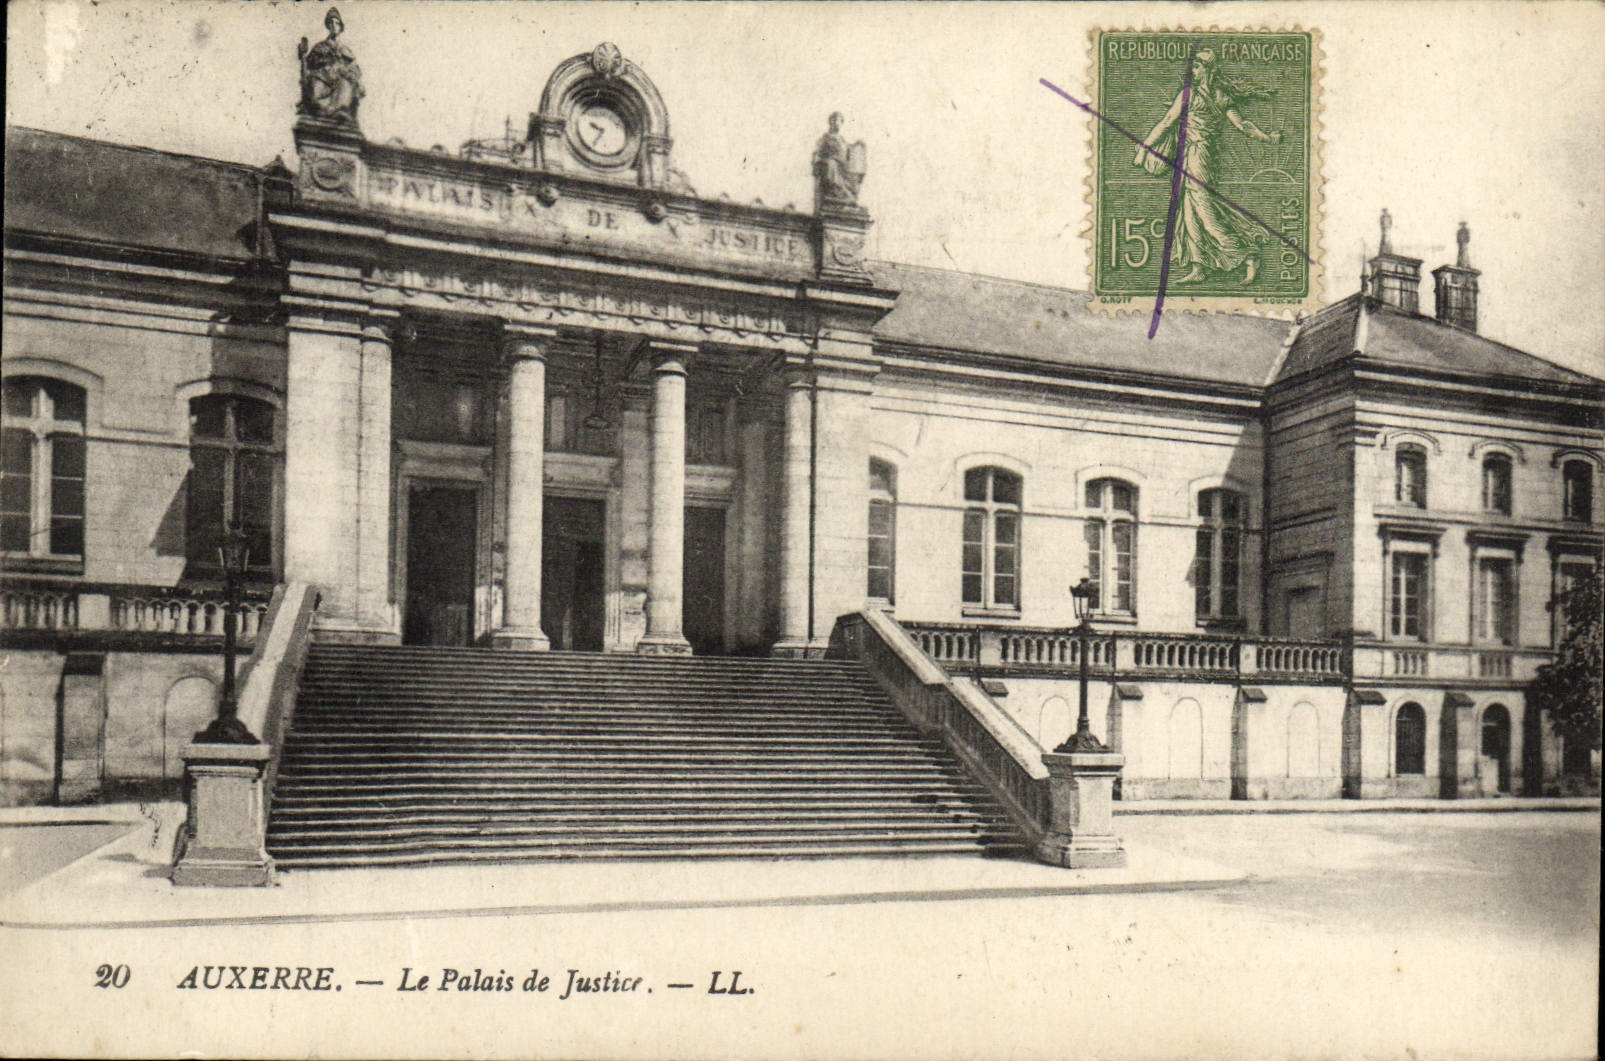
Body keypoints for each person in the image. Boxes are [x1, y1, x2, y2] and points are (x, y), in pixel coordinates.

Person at [1133, 50, 1281, 283]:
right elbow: (1242, 125)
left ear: (1209, 69)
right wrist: (1267, 137)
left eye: (1198, 67)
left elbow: (1167, 123)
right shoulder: (1216, 96)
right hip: (1196, 154)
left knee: (1203, 208)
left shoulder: (1194, 95)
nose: (1193, 71)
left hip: (1200, 155)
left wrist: (1145, 147)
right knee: (1189, 208)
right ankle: (1199, 265)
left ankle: (1247, 255)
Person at [298, 8, 364, 125]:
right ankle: (321, 111)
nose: (334, 26)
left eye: (336, 23)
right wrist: (303, 56)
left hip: (340, 79)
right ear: (328, 26)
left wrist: (352, 75)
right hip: (322, 77)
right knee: (315, 89)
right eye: (331, 23)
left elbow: (355, 70)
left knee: (346, 86)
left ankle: (340, 112)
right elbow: (308, 66)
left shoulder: (346, 50)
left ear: (341, 27)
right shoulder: (320, 46)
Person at [813, 113, 864, 207]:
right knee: (830, 165)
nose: (837, 123)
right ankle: (835, 193)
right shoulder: (825, 138)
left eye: (839, 121)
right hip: (830, 163)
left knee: (853, 172)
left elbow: (848, 150)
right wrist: (818, 160)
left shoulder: (842, 139)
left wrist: (857, 145)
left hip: (843, 166)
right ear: (830, 122)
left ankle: (848, 197)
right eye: (834, 120)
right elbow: (817, 152)